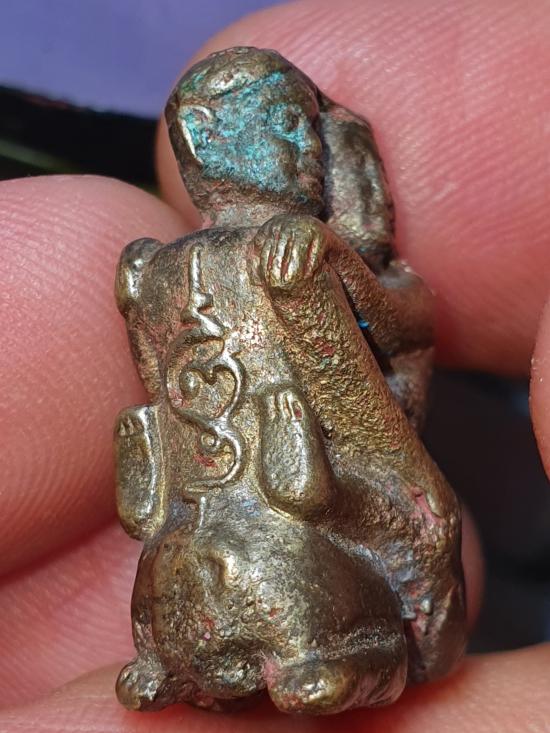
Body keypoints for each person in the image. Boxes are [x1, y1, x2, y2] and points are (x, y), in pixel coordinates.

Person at [1, 0, 549, 729]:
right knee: (185, 547)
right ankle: (180, 655)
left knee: (417, 523)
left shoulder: (323, 249)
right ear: (203, 139)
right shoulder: (164, 267)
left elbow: (406, 327)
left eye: (306, 128)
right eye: (283, 125)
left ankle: (358, 646)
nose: (303, 147)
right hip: (213, 480)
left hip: (330, 462)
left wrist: (336, 264)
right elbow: (163, 380)